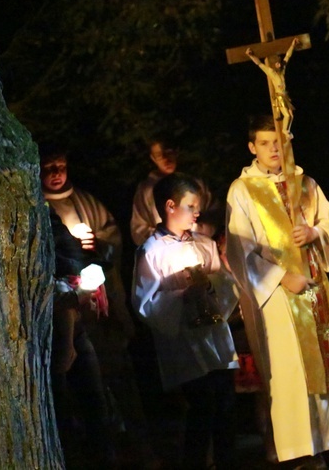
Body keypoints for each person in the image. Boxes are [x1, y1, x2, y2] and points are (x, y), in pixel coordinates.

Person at [225, 115, 329, 468]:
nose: (273, 149)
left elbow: (328, 221)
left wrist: (315, 234)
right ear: (252, 148)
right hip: (278, 300)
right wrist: (279, 277)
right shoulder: (242, 191)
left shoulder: (305, 182)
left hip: (316, 286)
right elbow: (240, 251)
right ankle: (303, 449)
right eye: (265, 143)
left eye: (278, 141)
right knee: (293, 371)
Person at [40, 146, 155, 465]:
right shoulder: (37, 208)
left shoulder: (87, 202)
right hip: (69, 312)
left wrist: (99, 246)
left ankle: (136, 447)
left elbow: (112, 240)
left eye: (60, 165)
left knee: (118, 376)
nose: (56, 173)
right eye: (49, 167)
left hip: (100, 307)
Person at [133, 173, 238, 469]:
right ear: (170, 206)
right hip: (185, 345)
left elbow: (225, 284)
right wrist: (182, 295)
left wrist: (212, 289)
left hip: (215, 338)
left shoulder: (204, 244)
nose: (197, 212)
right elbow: (145, 303)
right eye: (191, 206)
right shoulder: (151, 251)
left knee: (226, 408)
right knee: (202, 410)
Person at [49, 207, 115, 467]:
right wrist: (67, 346)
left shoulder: (70, 277)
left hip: (74, 334)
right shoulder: (58, 283)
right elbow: (64, 304)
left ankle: (102, 457)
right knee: (73, 413)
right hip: (62, 336)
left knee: (94, 407)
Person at [131, 136, 180, 247]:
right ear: (153, 158)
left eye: (168, 152)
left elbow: (213, 214)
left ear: (176, 152)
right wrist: (165, 238)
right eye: (159, 155)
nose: (165, 159)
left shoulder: (195, 184)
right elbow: (138, 229)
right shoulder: (146, 190)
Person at [245, 38, 299, 138]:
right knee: (287, 115)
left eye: (279, 62)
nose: (279, 64)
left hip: (285, 95)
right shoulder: (272, 73)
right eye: (276, 63)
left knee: (291, 114)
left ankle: (288, 130)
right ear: (274, 65)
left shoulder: (282, 70)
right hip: (280, 97)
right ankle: (284, 130)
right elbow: (260, 64)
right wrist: (251, 55)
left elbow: (288, 56)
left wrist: (293, 45)